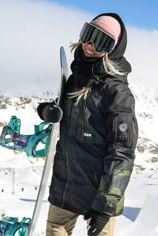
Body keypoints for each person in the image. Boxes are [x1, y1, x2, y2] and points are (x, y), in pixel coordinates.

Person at [37, 12, 138, 236]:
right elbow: (61, 108)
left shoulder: (117, 94)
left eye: (102, 42)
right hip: (66, 186)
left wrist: (107, 202)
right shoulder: (75, 77)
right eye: (89, 34)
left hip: (100, 193)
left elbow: (123, 152)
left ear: (113, 50)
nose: (91, 46)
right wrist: (47, 111)